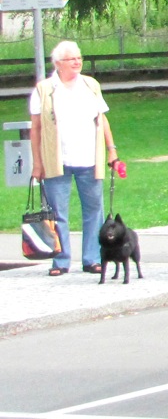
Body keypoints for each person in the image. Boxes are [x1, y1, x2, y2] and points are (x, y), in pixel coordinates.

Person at [29, 41, 120, 277]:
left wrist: (112, 150)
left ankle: (92, 259)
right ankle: (60, 261)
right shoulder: (44, 89)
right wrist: (37, 163)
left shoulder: (90, 85)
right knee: (57, 213)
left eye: (79, 58)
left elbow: (102, 119)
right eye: (72, 59)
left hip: (89, 159)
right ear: (58, 63)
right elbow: (36, 128)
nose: (77, 62)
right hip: (57, 160)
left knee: (94, 211)